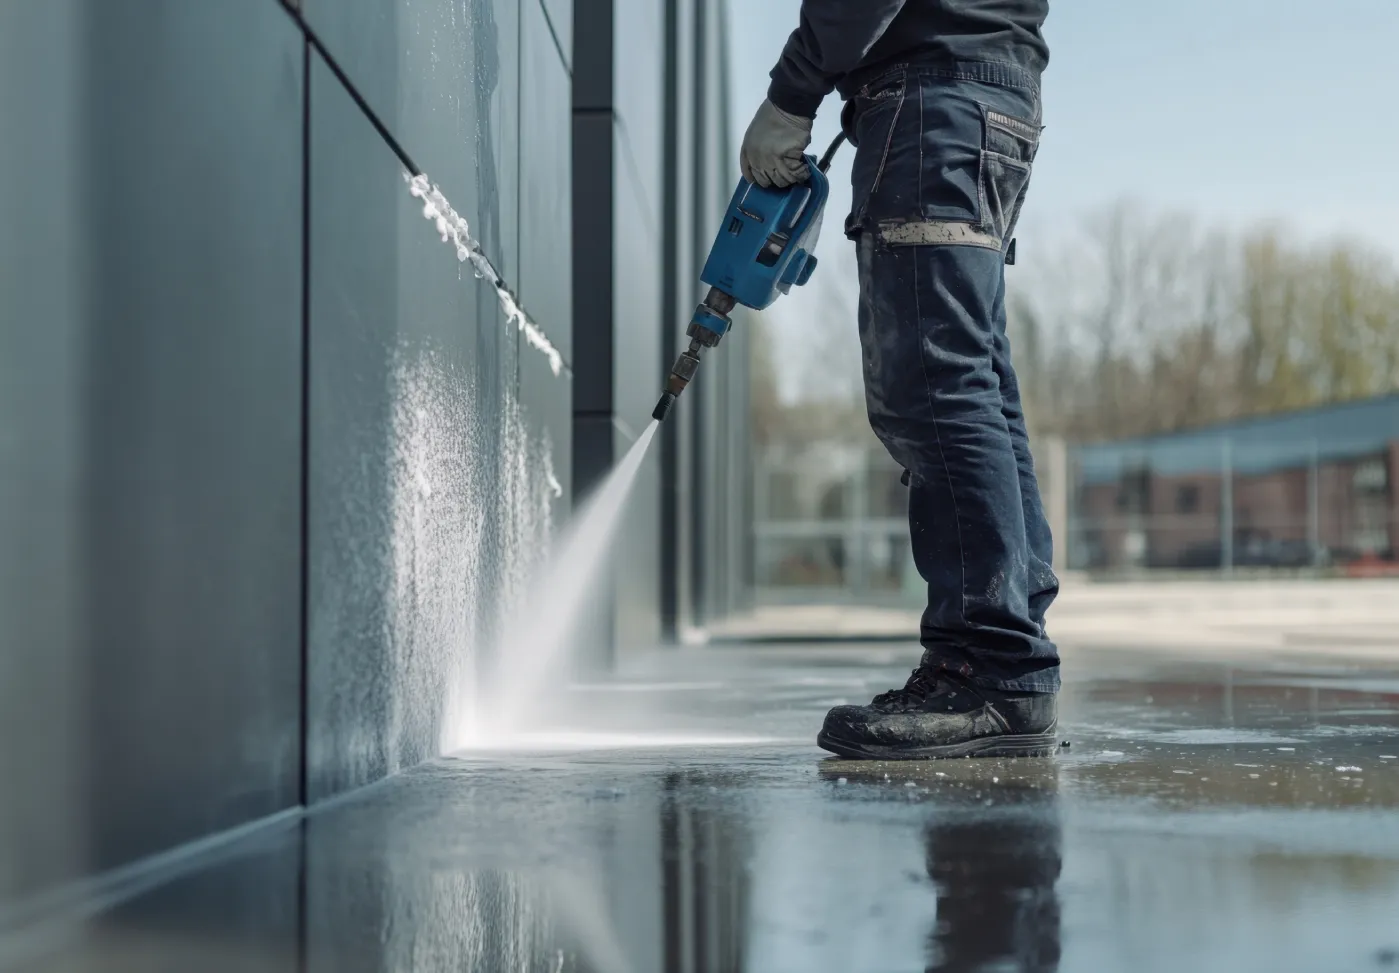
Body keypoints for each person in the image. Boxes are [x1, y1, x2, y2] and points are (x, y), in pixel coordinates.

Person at [741, 1, 1061, 759]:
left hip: (933, 100)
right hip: (984, 97)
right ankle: (1007, 659)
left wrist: (792, 93)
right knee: (973, 379)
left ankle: (984, 666)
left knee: (933, 388)